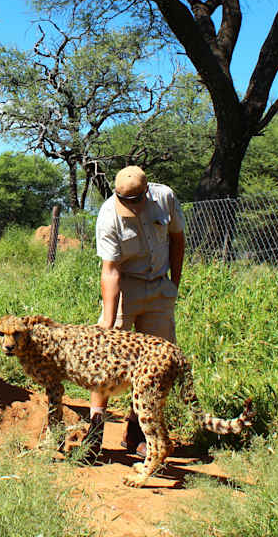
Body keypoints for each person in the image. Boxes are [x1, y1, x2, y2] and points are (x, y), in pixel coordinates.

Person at [76, 165, 185, 461]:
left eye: (135, 201)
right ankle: (96, 428)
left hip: (159, 287)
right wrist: (109, 323)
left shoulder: (165, 198)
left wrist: (173, 285)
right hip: (125, 287)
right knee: (106, 361)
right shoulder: (109, 215)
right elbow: (109, 271)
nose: (130, 206)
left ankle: (134, 432)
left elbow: (177, 240)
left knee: (156, 364)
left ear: (146, 193)